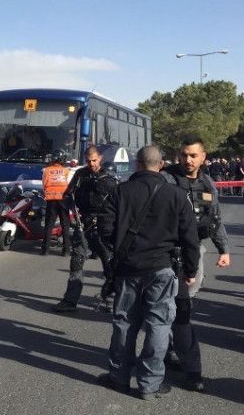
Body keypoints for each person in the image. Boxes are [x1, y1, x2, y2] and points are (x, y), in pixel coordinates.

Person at [97, 145, 199, 400]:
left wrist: (119, 248)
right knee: (159, 326)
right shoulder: (176, 195)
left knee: (124, 323)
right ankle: (150, 384)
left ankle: (119, 377)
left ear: (137, 165)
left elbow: (104, 228)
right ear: (161, 165)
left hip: (128, 268)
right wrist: (191, 269)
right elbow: (190, 238)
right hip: (163, 268)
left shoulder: (120, 192)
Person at [160, 137, 230, 392]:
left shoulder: (208, 182)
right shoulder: (166, 179)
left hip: (194, 250)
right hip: (165, 249)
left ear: (203, 157)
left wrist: (224, 249)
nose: (187, 160)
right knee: (170, 306)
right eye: (183, 155)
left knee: (183, 305)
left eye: (192, 156)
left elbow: (216, 218)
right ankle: (176, 356)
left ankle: (174, 348)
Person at [52, 146, 117, 312]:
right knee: (77, 261)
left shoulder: (109, 178)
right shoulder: (81, 175)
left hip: (104, 226)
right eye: (88, 161)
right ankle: (70, 300)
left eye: (94, 160)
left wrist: (107, 220)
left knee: (110, 264)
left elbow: (118, 204)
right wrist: (72, 209)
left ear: (100, 158)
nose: (91, 164)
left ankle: (113, 300)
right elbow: (68, 195)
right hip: (84, 225)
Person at [41, 149, 71, 256]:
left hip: (51, 200)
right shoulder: (67, 171)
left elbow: (43, 186)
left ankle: (45, 250)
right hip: (63, 200)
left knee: (49, 225)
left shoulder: (46, 170)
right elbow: (70, 186)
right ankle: (66, 250)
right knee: (65, 225)